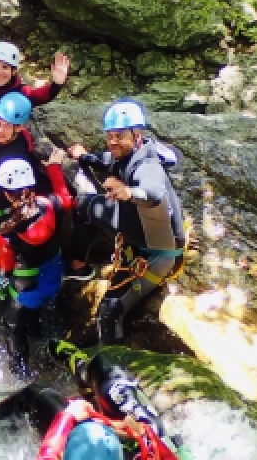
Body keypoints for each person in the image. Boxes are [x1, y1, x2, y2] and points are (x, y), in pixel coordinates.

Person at [66, 100, 187, 344]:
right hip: (139, 232)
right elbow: (107, 159)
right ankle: (79, 268)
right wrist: (83, 157)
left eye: (119, 136)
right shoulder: (131, 152)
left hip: (159, 255)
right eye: (110, 136)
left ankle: (115, 368)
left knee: (109, 312)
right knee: (84, 204)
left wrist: (129, 192)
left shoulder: (147, 164)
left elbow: (153, 192)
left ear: (137, 135)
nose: (113, 141)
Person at [0, 341, 180, 460]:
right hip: (136, 449)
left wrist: (70, 417)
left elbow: (49, 453)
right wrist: (138, 435)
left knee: (36, 398)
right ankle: (84, 372)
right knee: (106, 370)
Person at [0, 158, 65, 375]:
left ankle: (20, 373)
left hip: (25, 286)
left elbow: (3, 266)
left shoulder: (8, 230)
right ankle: (51, 348)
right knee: (44, 313)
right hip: (53, 273)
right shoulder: (50, 204)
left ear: (7, 193)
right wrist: (54, 168)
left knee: (12, 325)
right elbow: (67, 199)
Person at [0, 93, 72, 249]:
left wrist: (54, 168)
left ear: (20, 127)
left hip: (4, 221)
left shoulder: (18, 158)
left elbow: (64, 202)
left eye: (6, 125)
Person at [0, 42, 70, 135]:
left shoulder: (20, 92)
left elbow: (40, 96)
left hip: (0, 136)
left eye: (5, 67)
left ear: (13, 71)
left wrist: (57, 84)